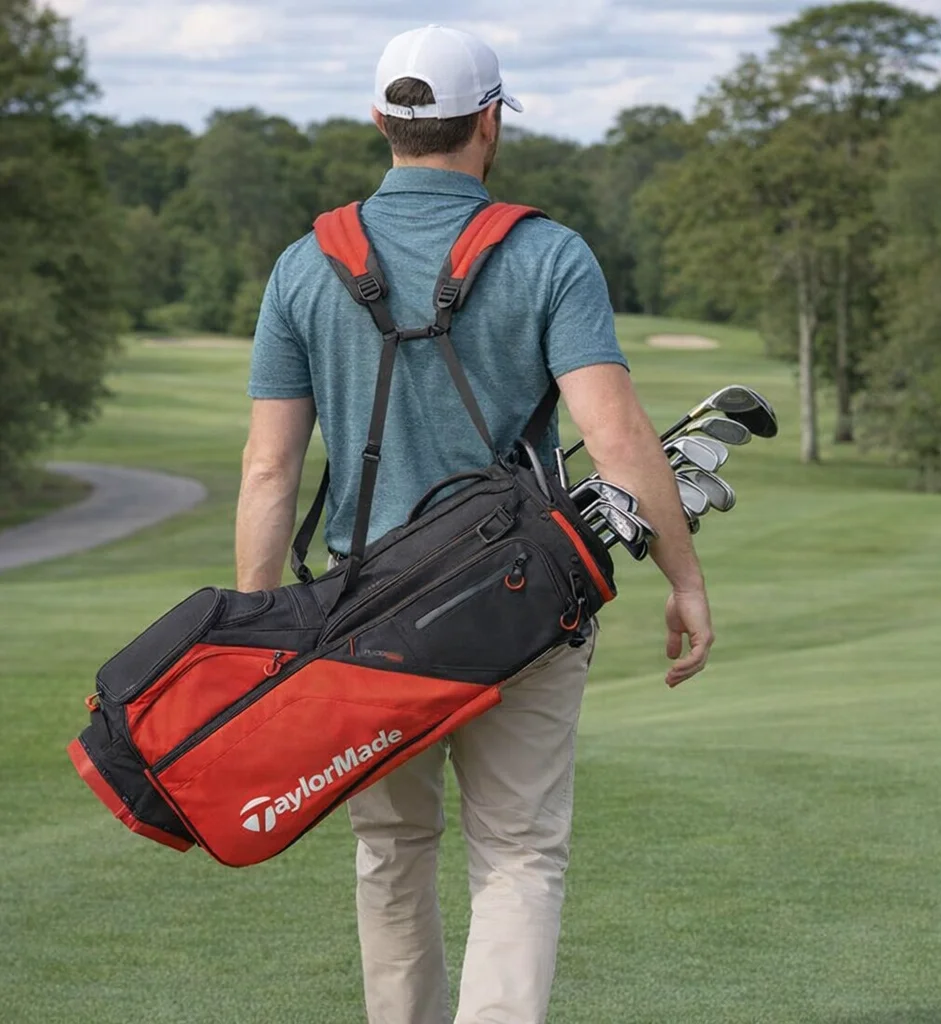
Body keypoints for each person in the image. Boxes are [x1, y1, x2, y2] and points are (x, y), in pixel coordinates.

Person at [236, 24, 713, 1024]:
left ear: (381, 120)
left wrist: (258, 632)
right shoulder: (548, 254)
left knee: (391, 849)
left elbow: (270, 467)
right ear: (489, 121)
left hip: (364, 618)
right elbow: (616, 437)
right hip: (522, 609)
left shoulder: (303, 266)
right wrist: (684, 579)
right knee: (520, 852)